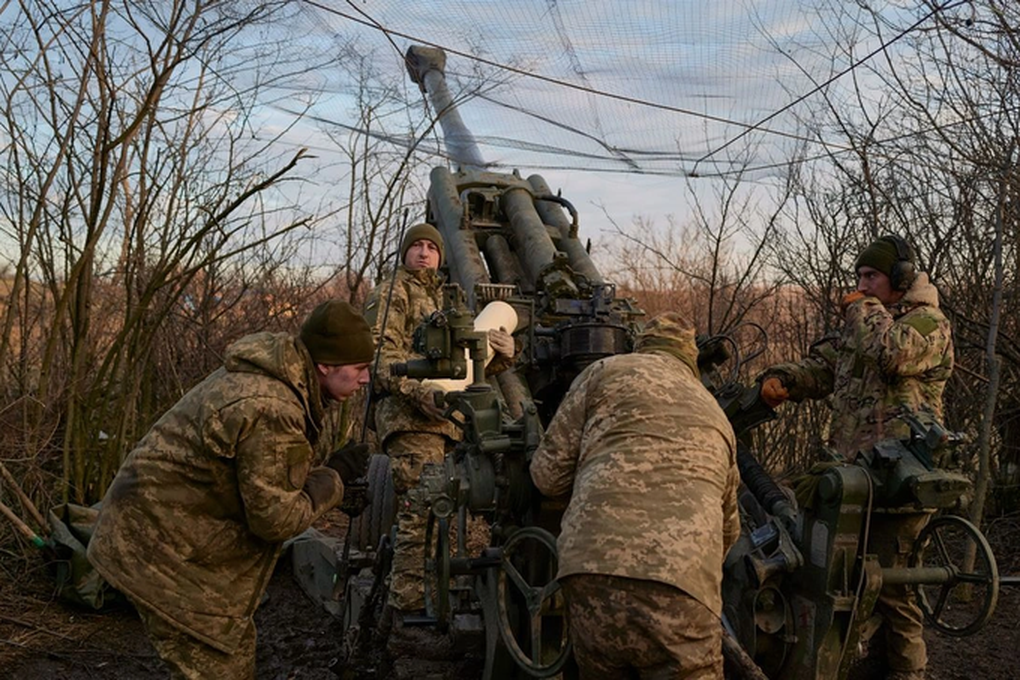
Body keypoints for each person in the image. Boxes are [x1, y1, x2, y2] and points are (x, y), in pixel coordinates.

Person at [87, 299, 376, 680]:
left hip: (169, 536)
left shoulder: (276, 377)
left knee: (233, 650)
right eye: (359, 368)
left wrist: (324, 479)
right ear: (325, 364)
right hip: (161, 551)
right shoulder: (272, 406)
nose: (366, 379)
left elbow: (265, 482)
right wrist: (334, 478)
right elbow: (275, 520)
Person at [759, 234, 954, 680]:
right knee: (835, 579)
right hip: (850, 477)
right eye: (859, 277)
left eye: (872, 276)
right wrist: (783, 380)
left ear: (901, 279)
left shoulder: (927, 324)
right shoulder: (869, 322)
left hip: (899, 480)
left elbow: (891, 354)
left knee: (889, 587)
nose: (862, 286)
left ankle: (908, 673)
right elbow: (826, 368)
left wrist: (863, 309)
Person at [530, 312, 740, 679]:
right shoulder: (715, 413)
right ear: (690, 358)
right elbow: (728, 532)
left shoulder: (603, 373)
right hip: (682, 586)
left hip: (589, 572)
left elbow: (547, 478)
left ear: (641, 345)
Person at [363, 223, 515, 619]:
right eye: (417, 246)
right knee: (423, 509)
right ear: (406, 253)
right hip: (411, 419)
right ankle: (410, 611)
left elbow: (469, 368)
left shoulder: (448, 301)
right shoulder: (393, 291)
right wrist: (418, 392)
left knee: (447, 515)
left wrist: (504, 353)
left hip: (450, 423)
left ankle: (438, 598)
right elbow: (377, 358)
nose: (425, 252)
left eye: (432, 246)